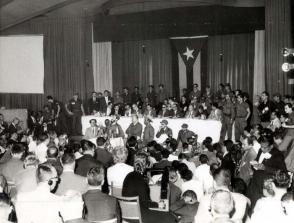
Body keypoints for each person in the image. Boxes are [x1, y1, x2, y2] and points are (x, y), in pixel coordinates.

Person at [122, 154, 177, 223]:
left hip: (127, 213)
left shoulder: (128, 176)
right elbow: (146, 203)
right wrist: (158, 204)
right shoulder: (141, 181)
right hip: (139, 215)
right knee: (169, 217)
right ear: (146, 165)